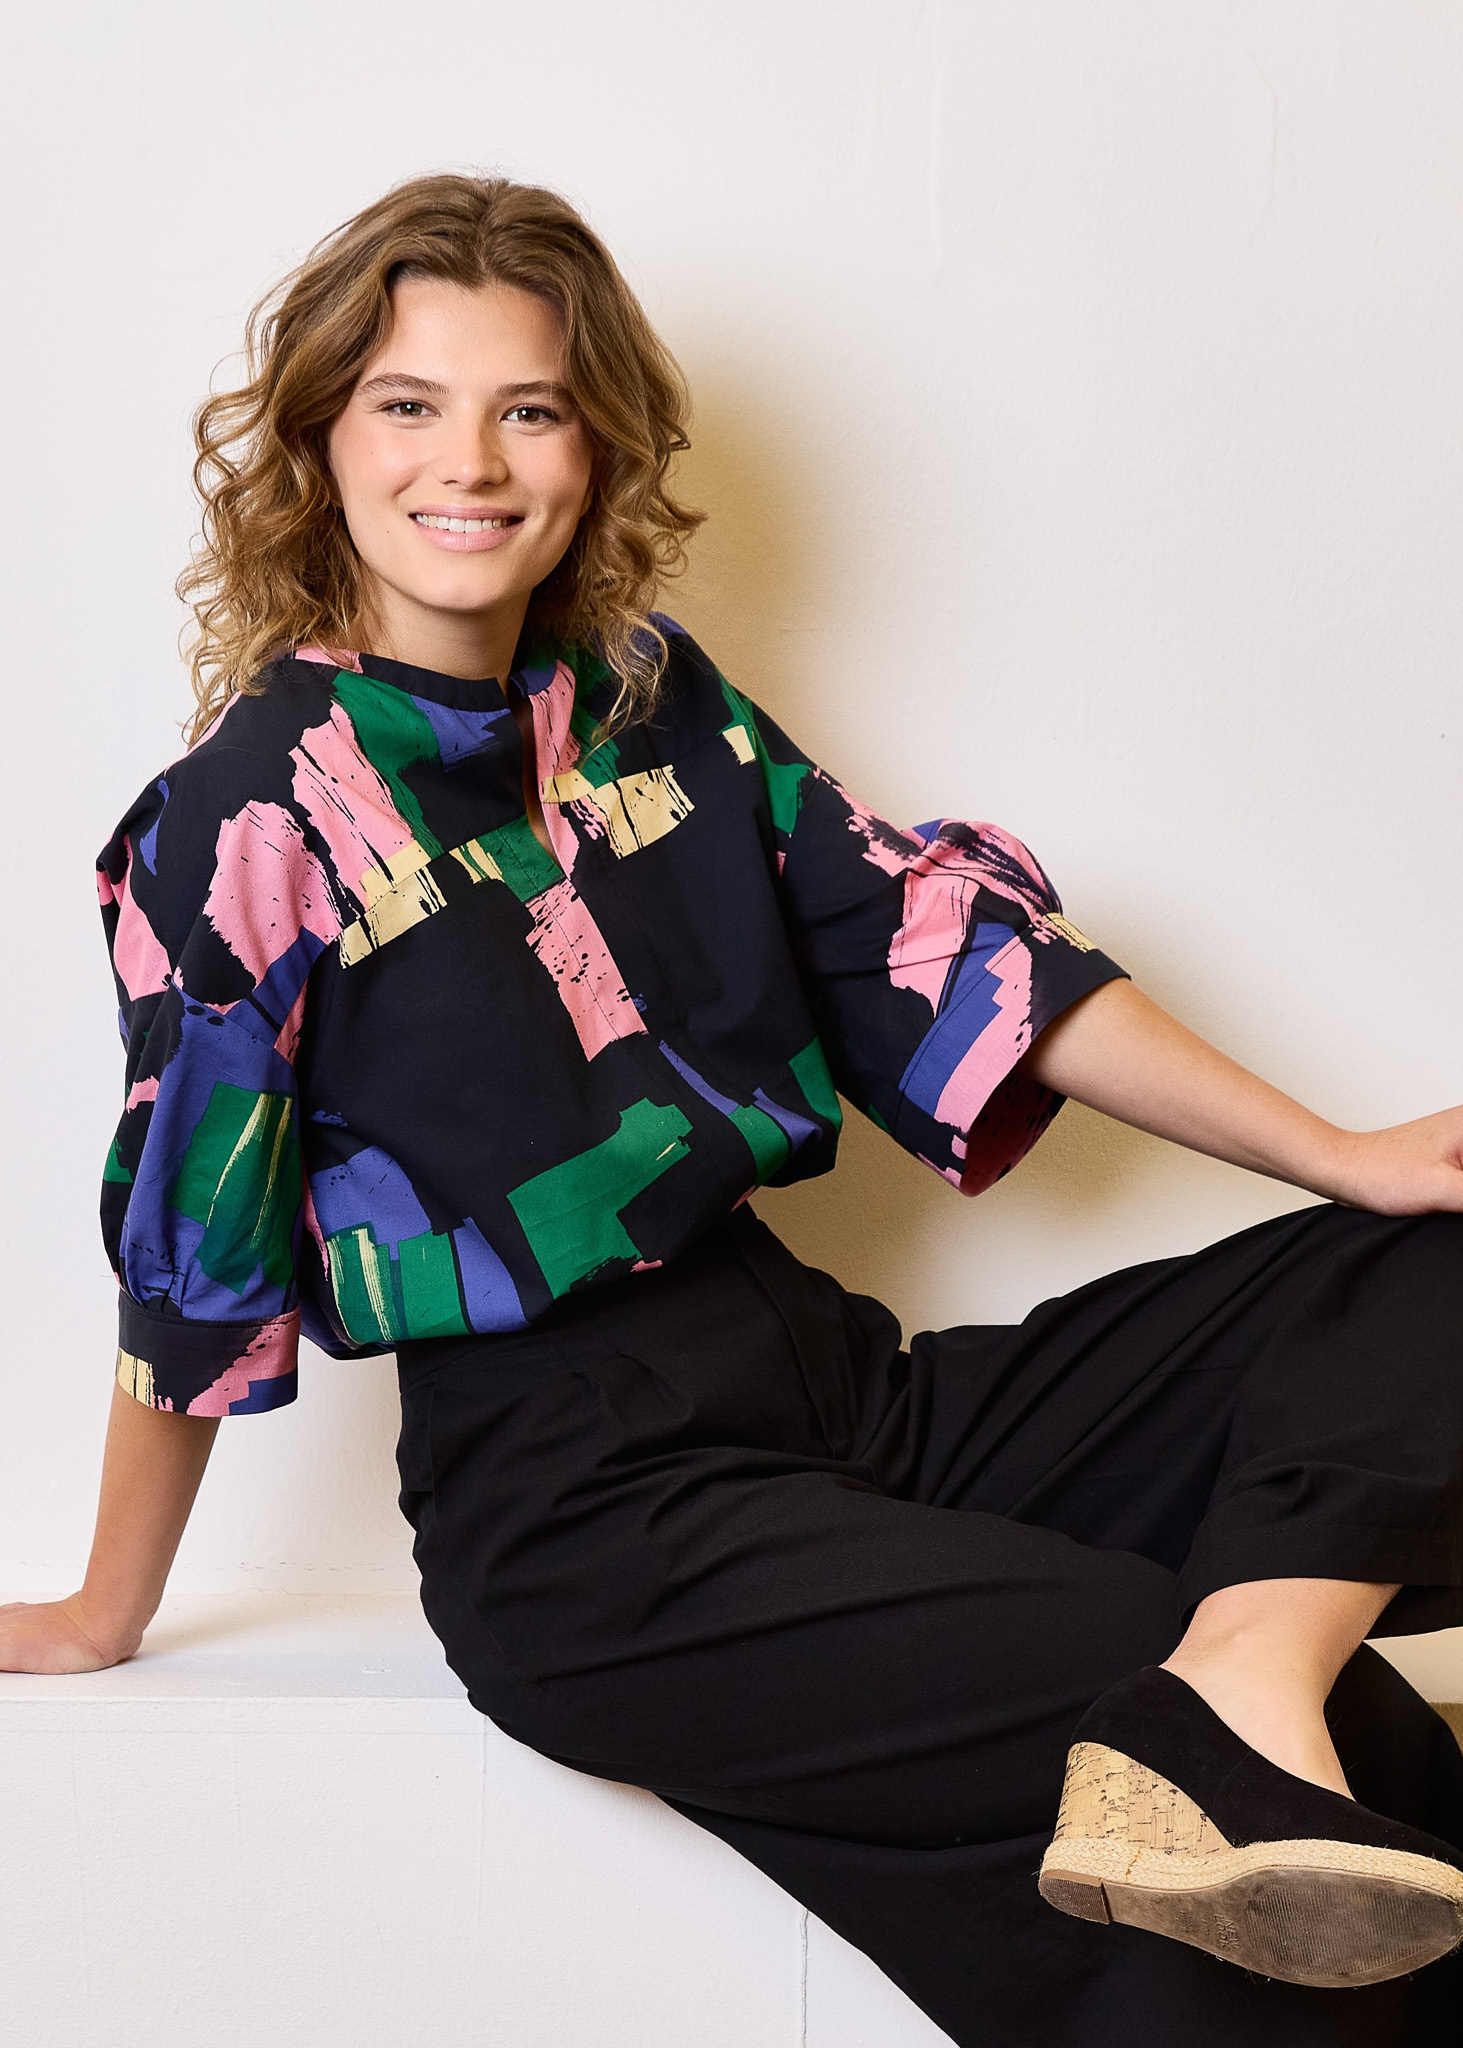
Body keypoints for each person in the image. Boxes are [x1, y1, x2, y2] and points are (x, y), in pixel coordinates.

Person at [3, 173, 1462, 2047]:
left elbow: (948, 959)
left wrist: (1346, 1155)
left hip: (843, 1395)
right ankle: (1222, 1709)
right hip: (585, 1509)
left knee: (1431, 1253)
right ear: (320, 444)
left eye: (529, 407)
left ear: (594, 446)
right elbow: (191, 1258)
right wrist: (106, 1610)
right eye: (408, 404)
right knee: (1294, 1733)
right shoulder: (244, 816)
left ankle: (1243, 1668)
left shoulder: (651, 701)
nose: (471, 461)